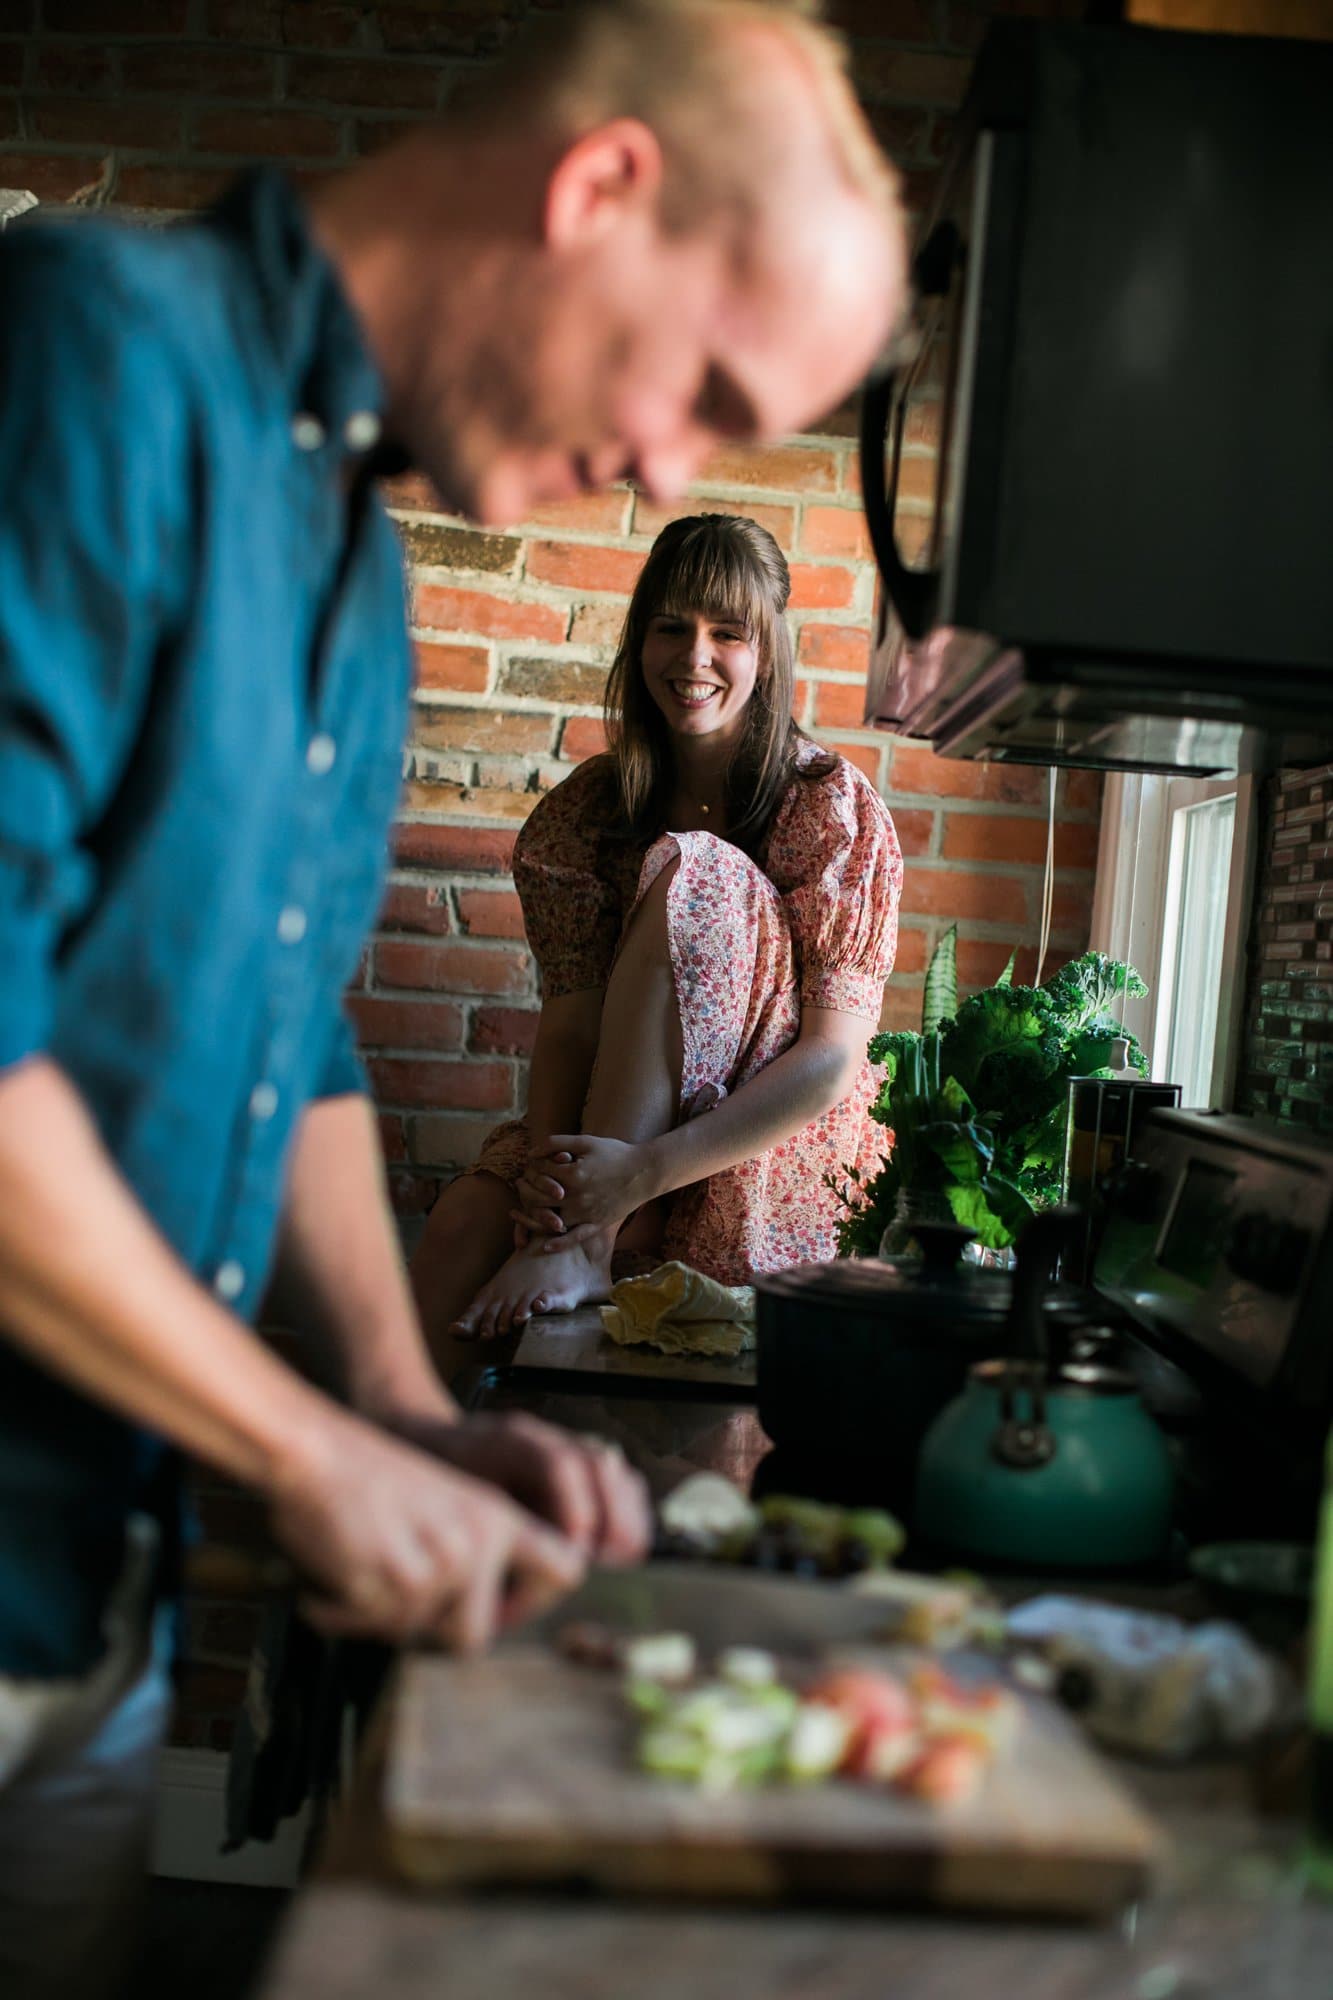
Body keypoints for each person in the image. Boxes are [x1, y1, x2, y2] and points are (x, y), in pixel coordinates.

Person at [0, 0, 907, 1989]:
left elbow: (292, 1039)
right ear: (598, 191)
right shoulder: (87, 353)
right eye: (703, 383)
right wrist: (309, 1452)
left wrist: (403, 1413)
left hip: (88, 1573)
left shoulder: (358, 567)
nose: (670, 465)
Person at [412, 513, 903, 1343]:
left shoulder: (829, 806)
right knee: (466, 1219)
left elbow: (830, 1062)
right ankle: (399, 1461)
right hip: (610, 1129)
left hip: (752, 1141)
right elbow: (568, 1031)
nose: (694, 657)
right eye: (670, 627)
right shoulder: (586, 812)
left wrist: (638, 1175)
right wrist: (550, 1183)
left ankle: (583, 1245)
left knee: (695, 866)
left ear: (769, 650)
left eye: (727, 633)